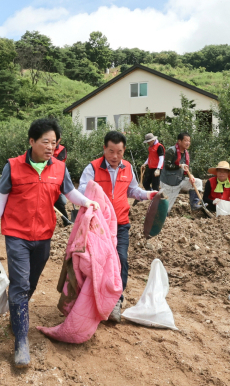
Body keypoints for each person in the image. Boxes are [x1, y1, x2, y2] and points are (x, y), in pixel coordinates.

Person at [0, 118, 99, 368]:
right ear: (32, 141)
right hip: (17, 235)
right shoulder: (13, 167)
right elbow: (0, 200)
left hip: (44, 235)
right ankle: (21, 341)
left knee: (29, 283)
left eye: (54, 143)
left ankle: (16, 312)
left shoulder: (59, 168)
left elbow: (70, 193)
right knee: (22, 283)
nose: (50, 147)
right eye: (45, 141)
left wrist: (86, 202)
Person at [78, 131, 157, 323]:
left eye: (119, 152)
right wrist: (93, 199)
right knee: (96, 262)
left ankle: (115, 302)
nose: (115, 156)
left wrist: (148, 195)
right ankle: (87, 300)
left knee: (120, 259)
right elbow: (81, 190)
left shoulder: (127, 168)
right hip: (98, 226)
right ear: (104, 148)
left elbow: (132, 190)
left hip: (121, 223)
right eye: (111, 151)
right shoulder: (93, 168)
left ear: (124, 151)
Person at [159, 132, 203, 212]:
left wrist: (191, 176)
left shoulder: (186, 153)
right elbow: (167, 166)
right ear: (179, 141)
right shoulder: (171, 151)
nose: (188, 143)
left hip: (180, 180)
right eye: (185, 140)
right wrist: (179, 166)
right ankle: (160, 220)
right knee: (166, 209)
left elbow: (187, 168)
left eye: (189, 141)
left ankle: (194, 204)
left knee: (198, 182)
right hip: (169, 183)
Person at [52, 136, 72, 226]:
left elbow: (60, 163)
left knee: (61, 202)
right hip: (47, 178)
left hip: (58, 176)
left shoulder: (62, 149)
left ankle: (66, 221)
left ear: (59, 139)